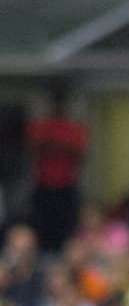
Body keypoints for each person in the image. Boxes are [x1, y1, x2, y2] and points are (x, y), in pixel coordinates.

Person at [25, 86, 88, 252]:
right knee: (42, 225)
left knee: (66, 226)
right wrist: (60, 146)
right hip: (44, 185)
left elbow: (79, 152)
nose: (59, 107)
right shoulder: (41, 125)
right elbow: (35, 147)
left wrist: (54, 145)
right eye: (56, 103)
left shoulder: (74, 128)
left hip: (66, 186)